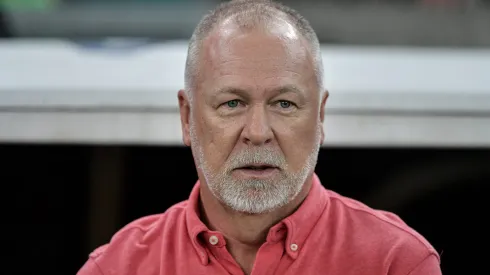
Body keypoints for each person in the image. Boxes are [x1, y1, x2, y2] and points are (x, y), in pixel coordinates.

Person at [77, 0, 442, 274]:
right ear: (187, 119)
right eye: (232, 103)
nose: (257, 132)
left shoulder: (396, 263)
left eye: (284, 104)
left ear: (320, 117)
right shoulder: (117, 268)